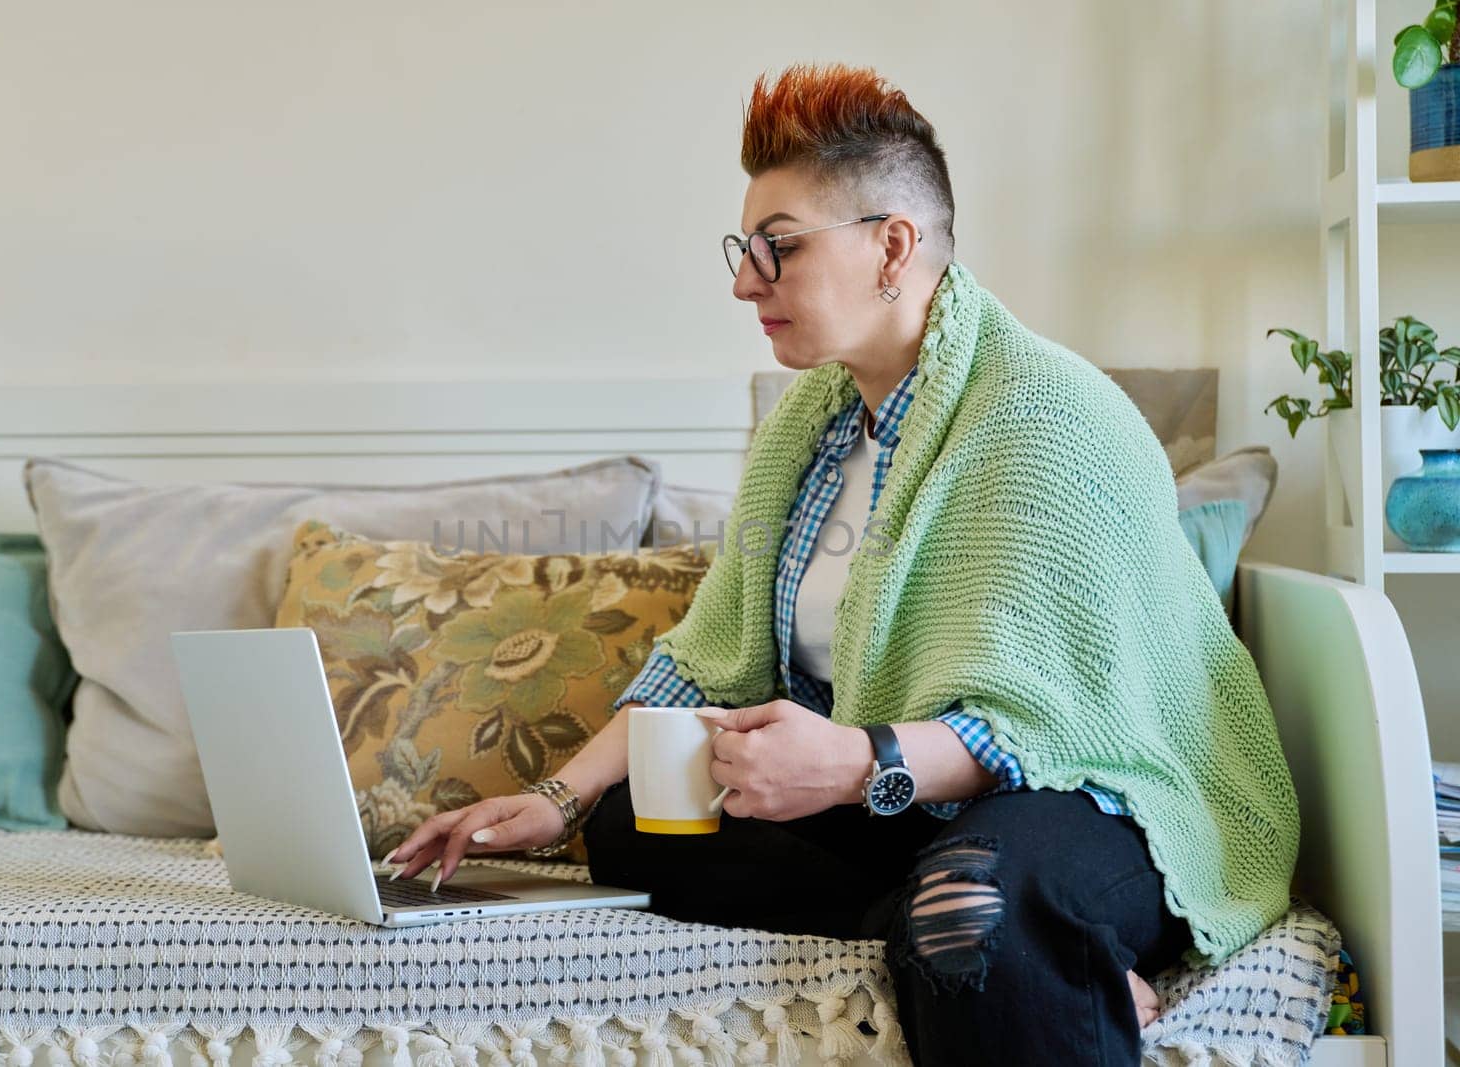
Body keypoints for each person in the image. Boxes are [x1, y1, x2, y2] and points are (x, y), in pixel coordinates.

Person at [384, 62, 1300, 1066]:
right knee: (636, 823)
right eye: (743, 250)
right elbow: (708, 661)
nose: (743, 282)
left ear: (892, 246)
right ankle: (1051, 961)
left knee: (969, 903)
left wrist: (858, 761)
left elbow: (1054, 723)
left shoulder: (1045, 417)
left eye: (775, 248)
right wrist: (554, 799)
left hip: (1098, 800)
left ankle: (1023, 940)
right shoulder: (807, 433)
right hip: (906, 809)